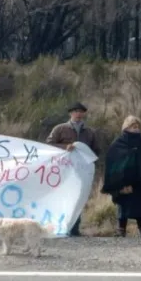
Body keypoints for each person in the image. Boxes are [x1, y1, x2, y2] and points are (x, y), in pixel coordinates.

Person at [101, 116, 141, 238]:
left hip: (140, 180)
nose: (136, 129)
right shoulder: (119, 142)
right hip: (123, 182)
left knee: (140, 205)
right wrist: (121, 182)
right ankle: (121, 229)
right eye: (133, 127)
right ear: (126, 127)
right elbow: (113, 160)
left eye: (137, 127)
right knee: (124, 205)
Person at [47, 102, 100, 237]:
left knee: (78, 199)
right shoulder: (60, 128)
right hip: (63, 170)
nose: (78, 114)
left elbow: (95, 151)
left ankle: (74, 228)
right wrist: (65, 147)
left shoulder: (89, 132)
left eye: (81, 111)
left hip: (81, 171)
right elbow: (49, 145)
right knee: (63, 198)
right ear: (70, 113)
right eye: (76, 111)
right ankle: (59, 227)